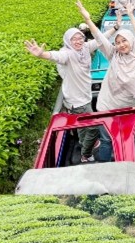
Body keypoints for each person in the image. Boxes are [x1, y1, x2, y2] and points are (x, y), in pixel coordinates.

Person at [77, 1, 135, 162]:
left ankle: (126, 167)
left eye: (124, 41)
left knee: (127, 139)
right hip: (107, 106)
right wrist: (88, 20)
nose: (121, 45)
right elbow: (100, 39)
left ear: (131, 41)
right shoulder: (113, 55)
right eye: (118, 42)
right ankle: (105, 168)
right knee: (107, 140)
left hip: (129, 108)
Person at [24, 22, 103, 161]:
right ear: (68, 41)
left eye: (80, 38)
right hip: (78, 101)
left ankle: (85, 142)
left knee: (81, 125)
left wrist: (115, 28)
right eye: (74, 39)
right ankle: (86, 154)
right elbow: (56, 56)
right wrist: (42, 54)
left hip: (85, 95)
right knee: (93, 127)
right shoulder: (67, 54)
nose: (78, 41)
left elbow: (98, 41)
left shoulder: (84, 49)